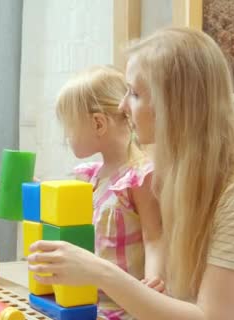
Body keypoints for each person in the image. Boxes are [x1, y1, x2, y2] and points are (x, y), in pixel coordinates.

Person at [28, 27, 234, 320]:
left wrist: (100, 273)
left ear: (173, 106)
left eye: (135, 94)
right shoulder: (169, 173)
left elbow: (211, 317)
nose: (123, 107)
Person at [55, 65, 164, 319]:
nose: (66, 137)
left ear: (98, 123)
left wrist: (153, 282)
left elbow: (155, 237)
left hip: (123, 308)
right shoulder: (91, 177)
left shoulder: (139, 177)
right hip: (89, 303)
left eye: (70, 128)